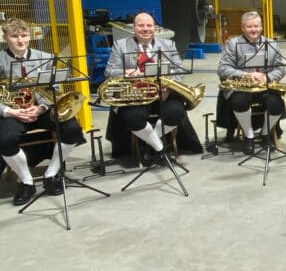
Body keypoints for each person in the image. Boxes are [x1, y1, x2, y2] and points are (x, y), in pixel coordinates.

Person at [0, 18, 84, 206]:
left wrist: (40, 108)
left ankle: (51, 174)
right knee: (4, 139)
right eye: (15, 36)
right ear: (5, 37)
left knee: (72, 128)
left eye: (24, 35)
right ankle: (27, 182)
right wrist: (10, 111)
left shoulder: (44, 57)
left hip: (40, 109)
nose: (21, 41)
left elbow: (53, 87)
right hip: (12, 112)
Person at [103, 12, 188, 164]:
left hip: (163, 94)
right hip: (136, 95)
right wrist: (126, 72)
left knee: (177, 112)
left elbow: (179, 70)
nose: (145, 29)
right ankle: (159, 148)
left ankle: (150, 147)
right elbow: (109, 71)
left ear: (154, 28)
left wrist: (168, 86)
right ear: (134, 28)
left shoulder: (168, 45)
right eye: (141, 25)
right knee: (132, 118)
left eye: (149, 25)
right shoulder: (120, 45)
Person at [217, 11, 286, 155]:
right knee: (238, 102)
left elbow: (280, 68)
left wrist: (267, 77)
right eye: (249, 27)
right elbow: (223, 69)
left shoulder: (272, 44)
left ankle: (266, 134)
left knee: (276, 104)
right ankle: (249, 136)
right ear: (243, 28)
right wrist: (245, 74)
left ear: (261, 27)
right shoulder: (233, 44)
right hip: (242, 87)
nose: (253, 30)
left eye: (256, 26)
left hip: (264, 87)